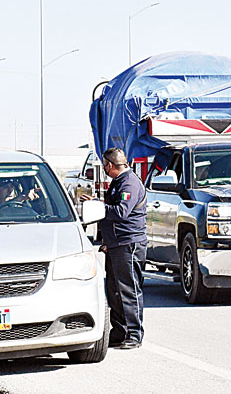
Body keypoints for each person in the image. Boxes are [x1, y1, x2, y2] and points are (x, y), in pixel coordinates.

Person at [80, 147, 147, 350]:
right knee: (114, 291)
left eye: (105, 166)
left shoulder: (129, 183)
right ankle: (119, 332)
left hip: (129, 244)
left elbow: (121, 211)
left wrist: (97, 207)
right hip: (116, 244)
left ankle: (134, 334)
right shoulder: (119, 182)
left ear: (109, 165)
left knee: (128, 290)